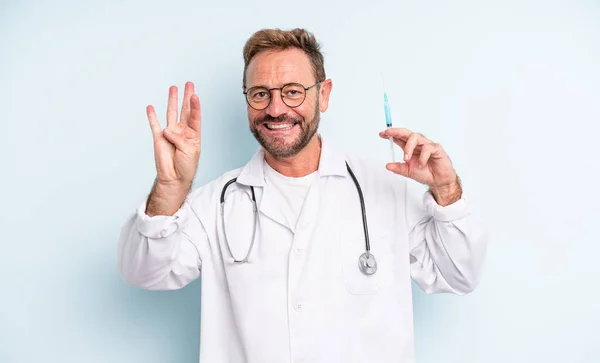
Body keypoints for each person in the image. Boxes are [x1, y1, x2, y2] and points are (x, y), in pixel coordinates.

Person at [117, 28, 488, 363]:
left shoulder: (385, 189)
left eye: (293, 92)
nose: (276, 109)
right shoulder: (217, 202)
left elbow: (458, 275)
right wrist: (170, 189)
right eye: (260, 94)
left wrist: (446, 189)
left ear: (323, 95)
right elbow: (144, 272)